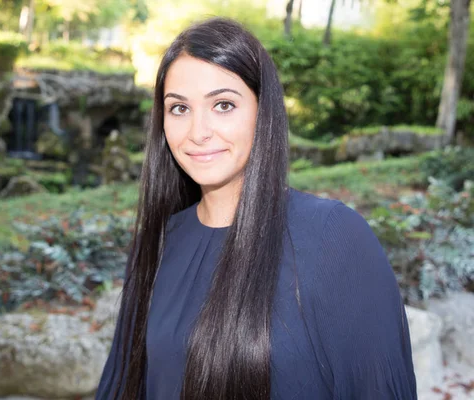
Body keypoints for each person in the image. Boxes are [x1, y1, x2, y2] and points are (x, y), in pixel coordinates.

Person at [96, 17, 417, 400]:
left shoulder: (333, 238)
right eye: (179, 108)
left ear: (263, 112)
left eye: (223, 104)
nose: (198, 131)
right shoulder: (160, 241)